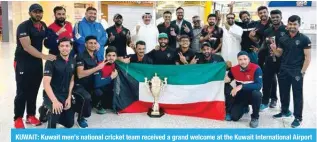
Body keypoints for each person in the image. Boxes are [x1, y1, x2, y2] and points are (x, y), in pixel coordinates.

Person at [13, 3, 56, 129]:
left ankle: (30, 115)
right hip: (23, 62)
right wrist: (45, 56)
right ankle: (18, 117)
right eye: (35, 12)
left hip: (36, 62)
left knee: (34, 89)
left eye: (40, 12)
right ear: (30, 13)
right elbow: (27, 47)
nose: (38, 14)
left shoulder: (42, 25)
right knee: (22, 91)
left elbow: (50, 37)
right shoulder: (23, 26)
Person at [271, 15, 311, 128]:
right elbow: (279, 54)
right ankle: (284, 111)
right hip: (284, 69)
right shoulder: (283, 38)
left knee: (297, 95)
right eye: (290, 24)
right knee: (283, 92)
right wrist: (274, 48)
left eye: (295, 24)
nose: (292, 26)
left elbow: (308, 58)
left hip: (296, 71)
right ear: (287, 25)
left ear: (299, 25)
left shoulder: (304, 39)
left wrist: (302, 72)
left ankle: (298, 117)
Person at [39, 6, 73, 122]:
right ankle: (46, 105)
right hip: (55, 59)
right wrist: (57, 33)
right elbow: (47, 44)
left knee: (67, 80)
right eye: (59, 14)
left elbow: (71, 40)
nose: (61, 16)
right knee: (54, 82)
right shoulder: (50, 28)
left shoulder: (69, 24)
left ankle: (64, 101)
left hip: (68, 58)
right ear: (55, 15)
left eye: (63, 14)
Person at [74, 36, 106, 128]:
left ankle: (87, 106)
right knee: (86, 97)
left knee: (100, 92)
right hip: (79, 85)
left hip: (90, 84)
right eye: (90, 43)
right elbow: (80, 74)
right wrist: (97, 68)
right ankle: (80, 118)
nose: (92, 45)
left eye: (94, 43)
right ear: (85, 44)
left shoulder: (94, 55)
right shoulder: (80, 56)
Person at [43, 38, 75, 129]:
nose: (64, 48)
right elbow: (46, 83)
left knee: (69, 124)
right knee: (55, 113)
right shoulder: (51, 61)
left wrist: (69, 97)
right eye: (62, 46)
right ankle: (46, 109)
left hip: (65, 95)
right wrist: (54, 101)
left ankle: (51, 111)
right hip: (52, 94)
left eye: (67, 46)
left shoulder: (73, 61)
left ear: (71, 47)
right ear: (58, 48)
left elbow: (72, 80)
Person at [224, 51, 263, 128]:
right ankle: (243, 107)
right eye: (240, 59)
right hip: (240, 96)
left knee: (257, 94)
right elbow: (228, 79)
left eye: (245, 59)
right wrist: (226, 78)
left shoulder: (256, 68)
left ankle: (255, 117)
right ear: (238, 60)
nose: (243, 61)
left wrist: (241, 86)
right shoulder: (234, 69)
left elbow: (258, 85)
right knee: (234, 117)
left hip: (252, 95)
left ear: (249, 59)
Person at [260, 9, 286, 111]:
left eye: (277, 17)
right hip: (269, 60)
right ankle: (265, 101)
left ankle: (282, 104)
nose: (275, 19)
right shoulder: (267, 31)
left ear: (281, 17)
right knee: (266, 82)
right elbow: (264, 45)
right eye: (273, 17)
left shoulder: (286, 30)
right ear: (271, 18)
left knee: (283, 83)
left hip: (282, 62)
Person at [93, 46, 118, 114]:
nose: (111, 57)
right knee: (97, 91)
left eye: (113, 55)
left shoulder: (116, 65)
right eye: (109, 55)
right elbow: (96, 84)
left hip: (109, 89)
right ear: (105, 56)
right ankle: (98, 104)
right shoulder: (100, 65)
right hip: (99, 89)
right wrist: (111, 77)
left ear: (116, 57)